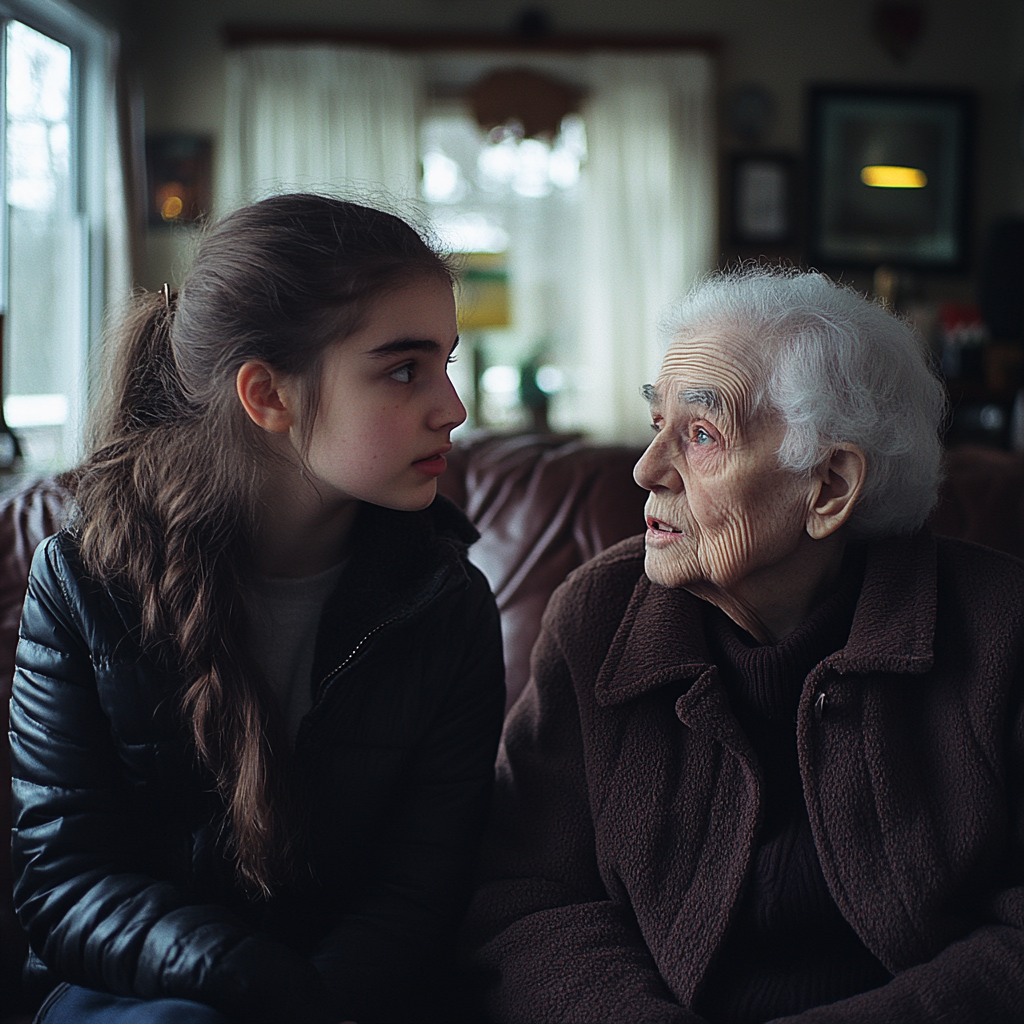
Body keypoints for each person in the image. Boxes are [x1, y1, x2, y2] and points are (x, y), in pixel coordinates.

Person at [464, 267, 1024, 1023]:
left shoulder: (999, 629)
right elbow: (526, 895)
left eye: (699, 434)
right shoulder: (596, 618)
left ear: (828, 487)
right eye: (655, 422)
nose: (646, 469)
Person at [10, 194, 506, 1024]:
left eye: (447, 364)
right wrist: (245, 983)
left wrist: (309, 1003)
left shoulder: (447, 608)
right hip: (137, 994)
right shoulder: (86, 582)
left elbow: (418, 894)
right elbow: (66, 883)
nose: (452, 408)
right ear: (267, 394)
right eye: (403, 369)